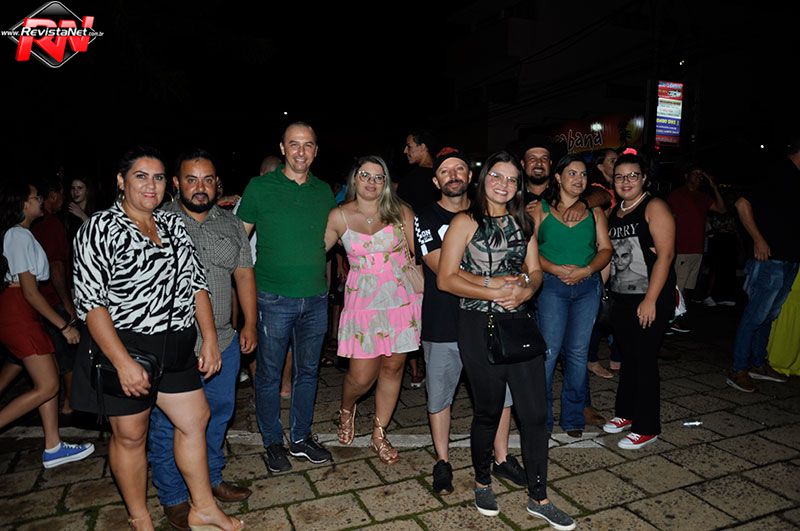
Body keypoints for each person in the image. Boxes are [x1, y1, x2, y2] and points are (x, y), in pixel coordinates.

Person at [71, 147, 242, 530]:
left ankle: (203, 507)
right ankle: (141, 519)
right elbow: (91, 304)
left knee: (195, 419)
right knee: (132, 436)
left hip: (176, 343)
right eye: (141, 176)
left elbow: (197, 284)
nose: (151, 185)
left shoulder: (172, 224)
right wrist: (122, 362)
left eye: (159, 177)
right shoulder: (99, 228)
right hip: (125, 345)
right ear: (121, 181)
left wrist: (209, 337)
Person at [438, 151, 575, 530]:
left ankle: (539, 497)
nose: (504, 184)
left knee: (535, 413)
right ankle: (483, 482)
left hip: (518, 323)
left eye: (512, 179)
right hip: (477, 324)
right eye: (497, 176)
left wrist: (526, 291)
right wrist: (494, 290)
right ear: (484, 179)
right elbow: (446, 278)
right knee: (488, 409)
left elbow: (535, 271)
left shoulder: (523, 222)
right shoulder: (465, 222)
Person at [147, 150, 256, 529]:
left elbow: (243, 274)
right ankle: (175, 497)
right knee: (168, 425)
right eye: (191, 180)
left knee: (219, 414)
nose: (200, 187)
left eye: (207, 180)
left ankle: (210, 480)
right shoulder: (157, 223)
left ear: (217, 184)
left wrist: (250, 324)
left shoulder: (232, 224)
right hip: (173, 346)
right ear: (177, 183)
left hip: (223, 340)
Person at [415, 148, 527, 494]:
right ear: (436, 181)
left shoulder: (494, 213)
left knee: (501, 394)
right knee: (441, 395)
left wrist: (519, 283)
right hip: (444, 320)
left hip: (489, 322)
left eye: (459, 168)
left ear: (471, 175)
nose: (453, 175)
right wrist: (496, 284)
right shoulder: (426, 217)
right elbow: (441, 268)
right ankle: (443, 461)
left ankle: (502, 458)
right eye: (445, 171)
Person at [237, 122, 334, 472]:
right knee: (269, 375)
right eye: (294, 144)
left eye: (308, 145)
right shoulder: (260, 187)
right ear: (282, 148)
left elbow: (332, 238)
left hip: (316, 299)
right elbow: (238, 243)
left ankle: (301, 438)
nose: (301, 151)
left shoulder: (324, 191)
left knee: (308, 372)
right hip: (272, 298)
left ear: (316, 150)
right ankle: (272, 442)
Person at [324, 155, 421, 464]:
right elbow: (314, 252)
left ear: (386, 183)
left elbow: (420, 256)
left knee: (393, 368)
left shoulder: (401, 212)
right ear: (355, 179)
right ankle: (346, 409)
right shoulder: (339, 215)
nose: (371, 182)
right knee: (361, 376)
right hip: (363, 305)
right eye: (365, 175)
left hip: (400, 301)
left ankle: (379, 432)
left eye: (379, 177)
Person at [0, 181, 93, 469]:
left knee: (48, 378)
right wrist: (64, 326)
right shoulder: (17, 235)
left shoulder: (24, 234)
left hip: (25, 311)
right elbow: (30, 291)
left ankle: (53, 446)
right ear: (22, 204)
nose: (40, 200)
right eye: (35, 197)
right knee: (49, 384)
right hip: (19, 310)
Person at [529, 154, 612, 438]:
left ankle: (573, 417)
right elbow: (529, 251)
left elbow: (606, 249)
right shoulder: (539, 210)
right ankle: (541, 420)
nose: (579, 179)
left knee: (578, 354)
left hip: (587, 287)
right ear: (558, 177)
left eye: (583, 174)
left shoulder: (594, 212)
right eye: (572, 173)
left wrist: (586, 270)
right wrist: (554, 269)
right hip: (551, 286)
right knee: (548, 353)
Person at [603, 153, 676, 450]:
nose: (626, 181)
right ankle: (626, 413)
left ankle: (647, 427)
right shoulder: (614, 213)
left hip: (650, 297)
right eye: (620, 176)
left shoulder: (654, 206)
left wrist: (650, 300)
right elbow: (609, 258)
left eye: (633, 175)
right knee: (629, 358)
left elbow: (666, 255)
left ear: (644, 178)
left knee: (644, 360)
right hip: (621, 299)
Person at [726, 135, 800, 392]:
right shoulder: (777, 170)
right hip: (771, 258)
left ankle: (758, 363)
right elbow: (742, 204)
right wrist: (758, 239)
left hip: (791, 258)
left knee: (769, 315)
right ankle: (738, 368)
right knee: (756, 314)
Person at [30, 175, 79, 418]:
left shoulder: (34, 225)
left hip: (36, 303)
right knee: (66, 355)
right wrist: (67, 303)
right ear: (53, 195)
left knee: (26, 361)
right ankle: (69, 403)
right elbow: (56, 267)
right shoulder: (51, 225)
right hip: (52, 301)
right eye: (61, 194)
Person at [396, 129, 437, 388]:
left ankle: (414, 368)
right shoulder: (441, 176)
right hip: (438, 253)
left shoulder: (411, 181)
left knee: (413, 310)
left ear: (423, 147)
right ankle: (422, 366)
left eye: (409, 145)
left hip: (418, 255)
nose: (405, 151)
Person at [666, 165, 726, 332]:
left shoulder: (702, 197)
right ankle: (669, 319)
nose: (699, 177)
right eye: (696, 174)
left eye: (701, 175)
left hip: (697, 249)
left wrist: (713, 186)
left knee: (687, 288)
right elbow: (669, 218)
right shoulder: (678, 194)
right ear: (687, 175)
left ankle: (677, 318)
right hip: (682, 248)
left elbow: (722, 209)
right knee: (678, 286)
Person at [65, 176, 96, 243]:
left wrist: (82, 215)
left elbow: (98, 234)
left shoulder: (96, 210)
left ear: (87, 191)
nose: (75, 191)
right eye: (73, 188)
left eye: (79, 188)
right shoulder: (67, 211)